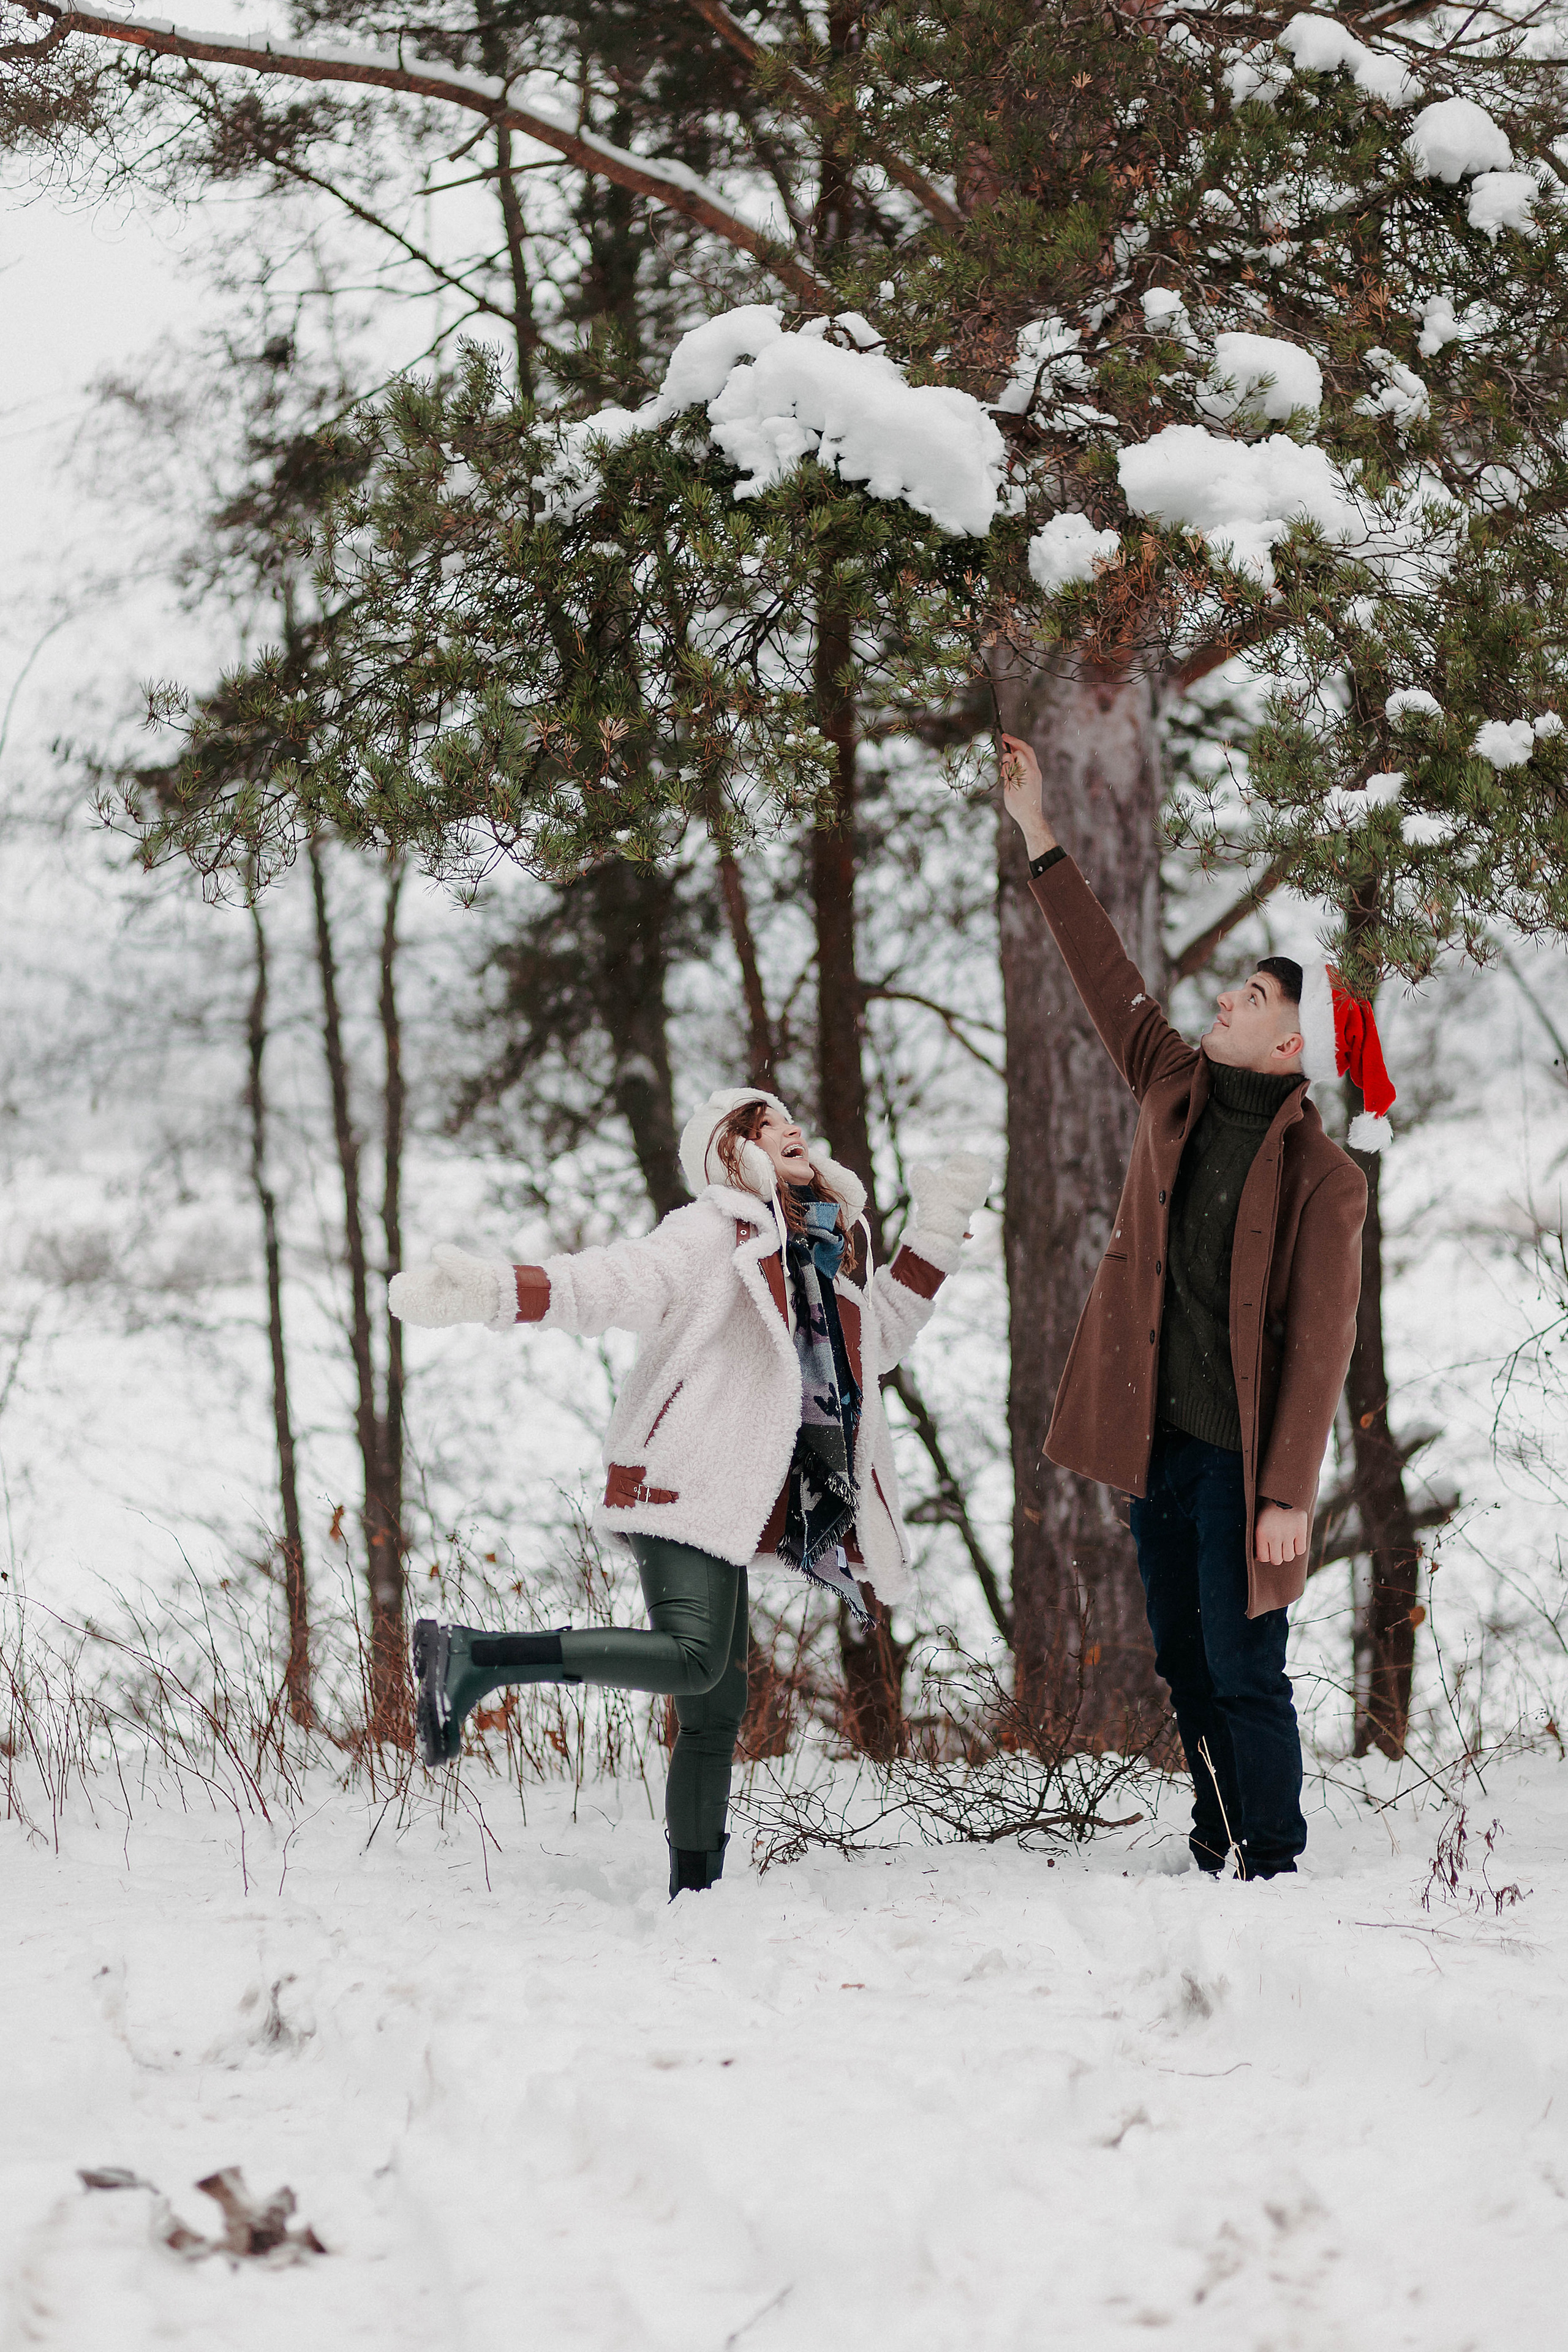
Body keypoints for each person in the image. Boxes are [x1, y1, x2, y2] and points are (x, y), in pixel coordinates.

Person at [389, 1090, 989, 1896]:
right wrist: (496, 1293)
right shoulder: (709, 1233)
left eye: (790, 1118)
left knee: (715, 1706)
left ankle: (694, 1895)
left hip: (735, 1498)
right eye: (765, 1124)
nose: (791, 1128)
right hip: (681, 1477)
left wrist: (938, 1226)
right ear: (730, 1154)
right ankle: (473, 1656)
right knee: (695, 1658)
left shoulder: (820, 1252)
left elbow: (876, 1337)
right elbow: (607, 1283)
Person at [998, 733, 1390, 1878]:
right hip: (1159, 1443)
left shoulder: (1328, 1178)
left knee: (1243, 1665)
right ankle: (1214, 1835)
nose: (1227, 996)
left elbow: (1321, 1353)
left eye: (1255, 994)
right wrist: (1038, 829)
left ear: (1291, 1041)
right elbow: (1103, 968)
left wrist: (1286, 1498)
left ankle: (1271, 1857)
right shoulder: (1171, 1086)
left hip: (1239, 1465)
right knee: (1179, 1656)